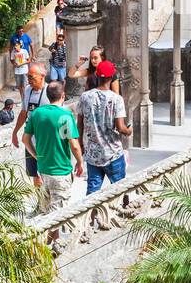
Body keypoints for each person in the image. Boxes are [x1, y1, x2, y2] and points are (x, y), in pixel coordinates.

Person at [22, 80, 84, 215]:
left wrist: (36, 156)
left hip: (43, 169)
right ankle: (52, 237)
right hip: (60, 170)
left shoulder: (37, 113)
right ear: (63, 95)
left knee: (44, 211)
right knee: (56, 216)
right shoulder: (65, 116)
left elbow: (25, 139)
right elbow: (74, 145)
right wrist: (80, 162)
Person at [77, 60, 132, 194]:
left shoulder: (85, 97)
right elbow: (120, 127)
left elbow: (80, 125)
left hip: (92, 154)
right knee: (120, 191)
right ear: (112, 76)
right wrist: (128, 131)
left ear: (96, 74)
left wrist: (81, 146)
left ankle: (92, 215)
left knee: (92, 193)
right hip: (113, 153)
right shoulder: (116, 99)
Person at [11, 63, 51, 188]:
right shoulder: (28, 90)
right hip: (30, 138)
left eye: (32, 77)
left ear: (42, 76)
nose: (29, 80)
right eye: (28, 77)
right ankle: (40, 202)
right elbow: (24, 112)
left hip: (45, 139)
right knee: (35, 173)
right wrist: (15, 132)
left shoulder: (50, 91)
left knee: (46, 172)